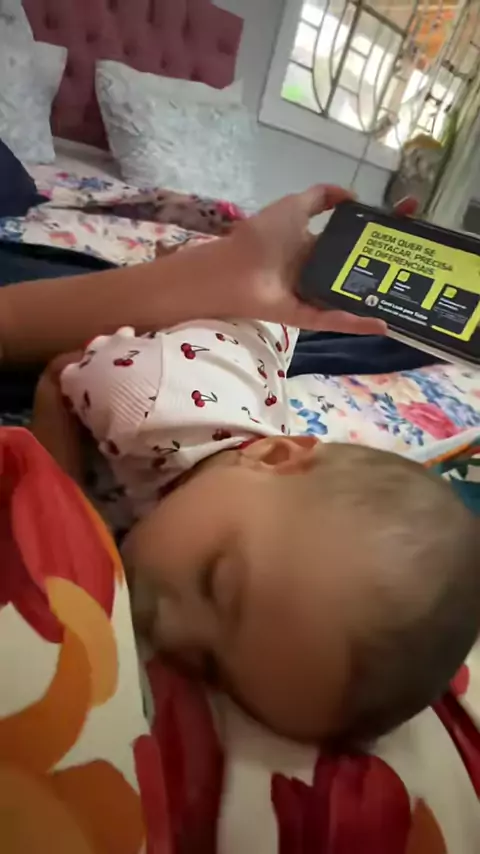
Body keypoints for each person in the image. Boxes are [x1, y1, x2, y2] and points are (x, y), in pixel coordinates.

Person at [32, 191, 480, 747]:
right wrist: (66, 509)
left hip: (257, 358)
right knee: (246, 293)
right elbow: (59, 374)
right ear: (271, 456)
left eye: (208, 664)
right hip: (220, 321)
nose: (170, 629)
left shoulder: (256, 513)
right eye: (213, 580)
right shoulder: (143, 405)